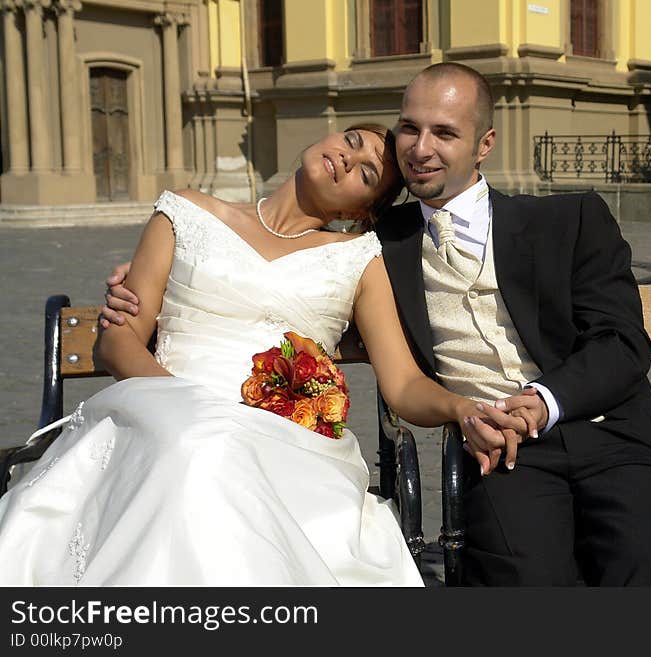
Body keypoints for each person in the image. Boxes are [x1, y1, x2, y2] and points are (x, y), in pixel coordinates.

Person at [105, 64, 651, 586]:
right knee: (524, 576)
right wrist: (171, 271)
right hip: (502, 453)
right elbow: (284, 285)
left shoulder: (570, 218)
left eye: (445, 132)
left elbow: (621, 344)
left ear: (484, 142)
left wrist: (543, 401)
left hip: (610, 435)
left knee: (638, 564)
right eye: (410, 128)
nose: (420, 147)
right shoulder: (375, 246)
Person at [0, 122, 531, 586]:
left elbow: (402, 385)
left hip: (277, 440)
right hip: (158, 407)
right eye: (350, 142)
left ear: (360, 210)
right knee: (198, 442)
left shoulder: (358, 258)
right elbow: (117, 338)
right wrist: (185, 405)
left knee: (207, 449)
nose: (348, 158)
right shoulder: (186, 211)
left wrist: (461, 407)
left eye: (366, 173)